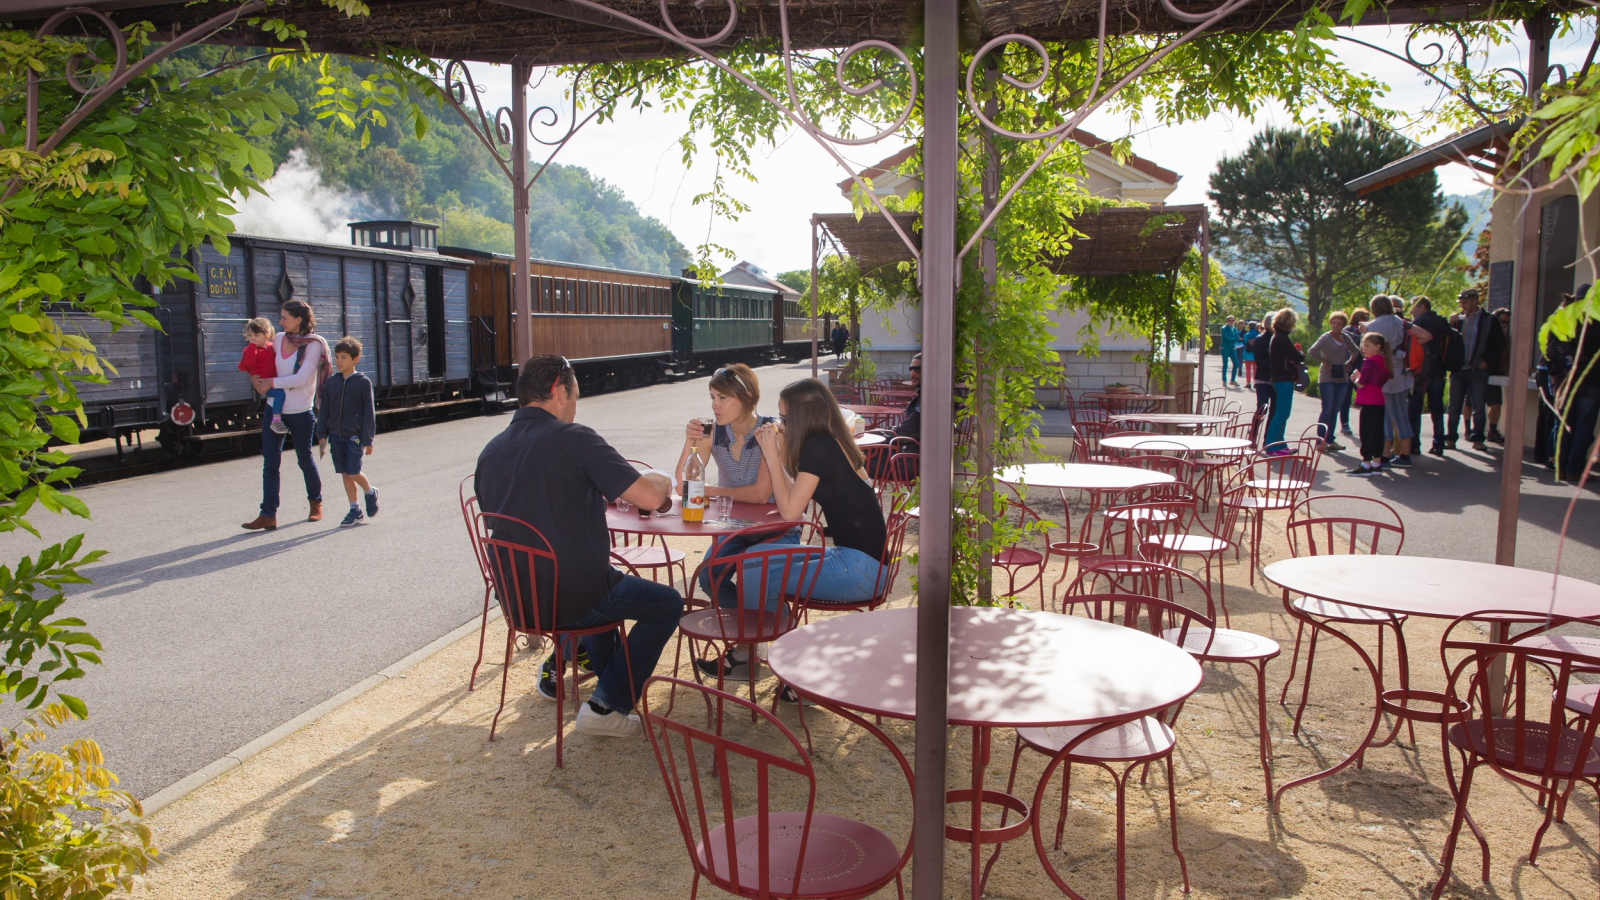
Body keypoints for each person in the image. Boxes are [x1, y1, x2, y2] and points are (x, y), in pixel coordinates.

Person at [474, 354, 682, 737]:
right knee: (668, 603)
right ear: (558, 391)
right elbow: (649, 499)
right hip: (571, 597)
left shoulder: (490, 452)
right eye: (575, 395)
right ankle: (608, 706)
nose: (574, 406)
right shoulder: (573, 438)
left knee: (601, 585)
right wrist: (661, 479)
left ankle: (606, 688)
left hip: (518, 600)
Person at [675, 363, 779, 608]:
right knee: (709, 576)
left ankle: (757, 630)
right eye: (712, 397)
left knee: (752, 575)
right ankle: (755, 625)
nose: (714, 405)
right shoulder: (712, 432)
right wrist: (689, 441)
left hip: (776, 526)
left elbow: (760, 495)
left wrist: (708, 490)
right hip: (735, 527)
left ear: (747, 396)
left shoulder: (770, 430)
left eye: (723, 397)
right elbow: (683, 488)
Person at [242, 300, 330, 531]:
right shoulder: (279, 338)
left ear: (298, 319)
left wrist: (272, 382)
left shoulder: (314, 344)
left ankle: (315, 503)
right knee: (270, 463)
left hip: (300, 411)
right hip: (274, 409)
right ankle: (268, 514)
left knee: (304, 460)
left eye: (284, 318)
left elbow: (301, 378)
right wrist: (256, 381)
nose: (279, 322)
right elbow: (263, 366)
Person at [314, 337, 379, 527]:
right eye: (337, 357)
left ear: (355, 359)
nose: (339, 361)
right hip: (336, 434)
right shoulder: (332, 383)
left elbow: (369, 412)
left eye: (344, 357)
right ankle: (355, 509)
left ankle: (370, 492)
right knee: (344, 473)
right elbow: (324, 409)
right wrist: (321, 434)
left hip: (355, 435)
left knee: (353, 471)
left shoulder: (362, 382)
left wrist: (368, 439)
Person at [1364, 294, 1423, 468]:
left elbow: (1368, 351)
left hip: (1384, 375)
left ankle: (1384, 456)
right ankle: (1405, 455)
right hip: (1403, 373)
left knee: (1385, 417)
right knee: (1402, 416)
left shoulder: (1373, 326)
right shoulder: (1401, 322)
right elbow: (1425, 335)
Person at [1549, 285, 1600, 480]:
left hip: (1564, 379)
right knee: (1584, 427)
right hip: (1592, 380)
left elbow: (1549, 349)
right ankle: (1574, 470)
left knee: (1563, 426)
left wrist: (1554, 374)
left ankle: (1560, 468)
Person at [1447, 287, 1504, 452]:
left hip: (1477, 369)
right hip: (1458, 369)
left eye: (1465, 302)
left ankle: (1478, 438)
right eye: (1461, 302)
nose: (1463, 305)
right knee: (1454, 406)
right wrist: (1449, 324)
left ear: (1475, 301)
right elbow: (1447, 342)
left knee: (1479, 406)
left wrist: (1487, 361)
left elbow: (1498, 344)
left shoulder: (1489, 320)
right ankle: (1451, 438)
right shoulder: (1458, 319)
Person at [1407, 296, 1452, 456]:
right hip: (1439, 370)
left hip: (1422, 372)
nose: (1412, 310)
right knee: (1437, 409)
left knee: (1414, 409)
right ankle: (1438, 443)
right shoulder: (1443, 322)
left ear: (1422, 307)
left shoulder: (1419, 323)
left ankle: (1413, 445)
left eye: (1414, 306)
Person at [1306, 311, 1357, 451]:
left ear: (1343, 325)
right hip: (1327, 376)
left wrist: (1349, 362)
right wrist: (1324, 361)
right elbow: (1312, 351)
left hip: (1341, 376)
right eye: (1333, 323)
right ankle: (1320, 441)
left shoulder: (1345, 337)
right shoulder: (1325, 337)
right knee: (1327, 409)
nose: (1336, 326)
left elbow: (1356, 351)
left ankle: (1330, 439)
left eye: (1339, 323)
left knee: (1335, 410)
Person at [1348, 332, 1394, 477]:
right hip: (1379, 400)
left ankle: (1366, 463)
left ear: (1377, 347)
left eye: (1367, 345)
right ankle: (1376, 463)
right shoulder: (1383, 361)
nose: (1363, 348)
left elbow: (1361, 384)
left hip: (1368, 401)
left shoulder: (1369, 362)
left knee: (1367, 432)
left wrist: (1356, 377)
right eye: (1363, 345)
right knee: (1378, 432)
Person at [1263, 308, 1303, 454]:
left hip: (1278, 378)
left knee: (1282, 412)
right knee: (1282, 412)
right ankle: (1272, 445)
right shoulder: (1283, 338)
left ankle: (1279, 444)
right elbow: (1298, 357)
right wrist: (1300, 354)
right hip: (1283, 378)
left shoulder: (1276, 337)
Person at [239, 318, 287, 435]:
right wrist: (251, 347)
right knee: (280, 394)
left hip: (272, 380)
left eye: (256, 335)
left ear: (266, 335)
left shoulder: (271, 346)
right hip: (263, 382)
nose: (252, 338)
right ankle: (276, 419)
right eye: (250, 335)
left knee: (282, 394)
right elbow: (248, 363)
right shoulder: (249, 350)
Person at [1341, 308, 1371, 437]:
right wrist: (1364, 335)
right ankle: (1345, 423)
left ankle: (1365, 424)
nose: (1366, 321)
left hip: (1362, 366)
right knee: (1346, 398)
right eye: (1364, 318)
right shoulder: (1348, 330)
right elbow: (1353, 341)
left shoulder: (1368, 332)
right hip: (1350, 366)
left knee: (1363, 395)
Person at [1486, 306, 1512, 444]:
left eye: (1506, 323)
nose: (1504, 325)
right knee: (1472, 403)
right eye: (1501, 321)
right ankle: (1469, 431)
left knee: (1496, 403)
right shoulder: (1485, 333)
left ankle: (1492, 430)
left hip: (1497, 373)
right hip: (1481, 371)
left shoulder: (1505, 336)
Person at [1251, 314, 1276, 423]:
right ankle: (1253, 432)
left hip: (1276, 379)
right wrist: (1275, 358)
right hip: (1263, 379)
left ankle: (1268, 437)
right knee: (1262, 408)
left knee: (1274, 410)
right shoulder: (1260, 339)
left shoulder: (1279, 338)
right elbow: (1259, 362)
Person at [1219, 316, 1241, 386]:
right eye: (1229, 320)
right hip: (1225, 348)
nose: (1231, 322)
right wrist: (1234, 338)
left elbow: (1237, 337)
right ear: (1227, 321)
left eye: (1232, 320)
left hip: (1232, 348)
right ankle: (1224, 380)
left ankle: (1232, 380)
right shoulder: (1224, 328)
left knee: (1236, 363)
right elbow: (1227, 338)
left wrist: (1234, 338)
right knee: (1225, 364)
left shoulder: (1234, 328)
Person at [1241, 320, 1261, 385]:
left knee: (1248, 369)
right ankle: (1255, 382)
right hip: (1256, 354)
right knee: (1255, 369)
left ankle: (1248, 383)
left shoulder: (1246, 335)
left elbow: (1244, 343)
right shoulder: (1258, 335)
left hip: (1248, 353)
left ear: (1249, 327)